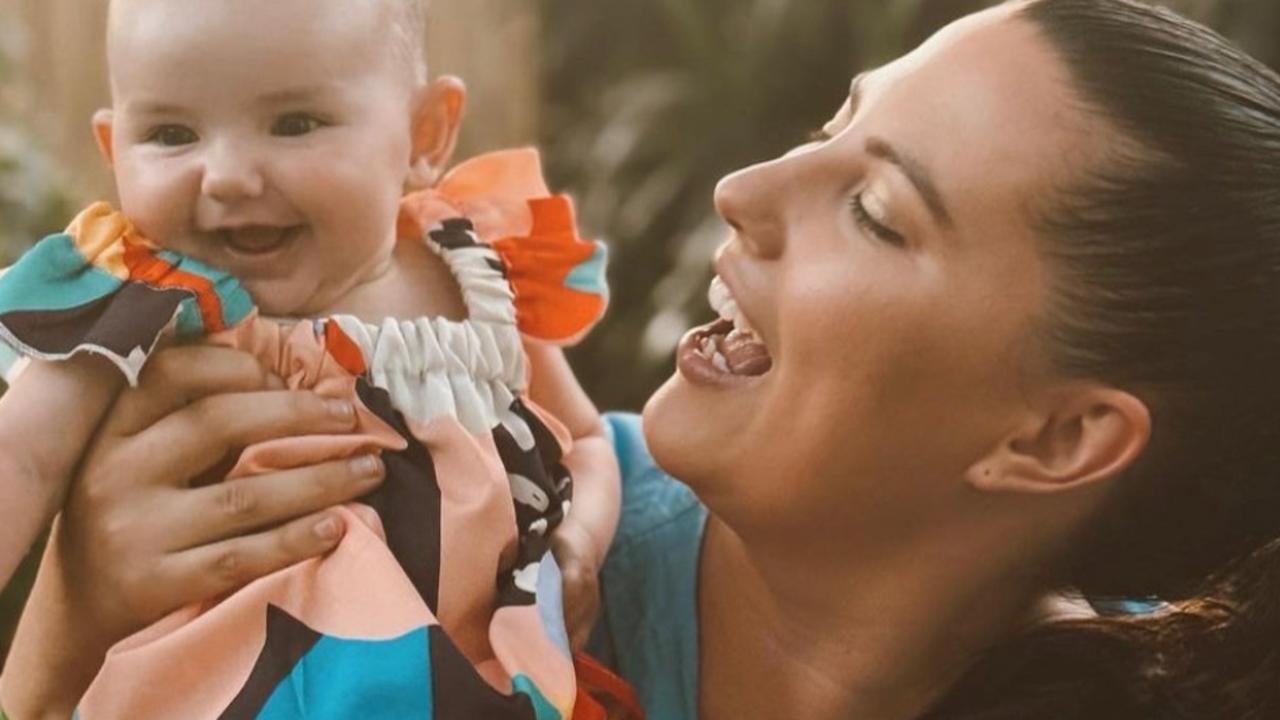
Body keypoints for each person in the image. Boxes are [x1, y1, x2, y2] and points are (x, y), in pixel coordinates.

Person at [8, 0, 1280, 717]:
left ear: (1053, 441)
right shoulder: (483, 530)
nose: (743, 186)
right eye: (827, 124)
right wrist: (56, 652)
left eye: (878, 213)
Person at [0, 0, 619, 717]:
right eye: (172, 133)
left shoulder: (479, 283)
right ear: (114, 152)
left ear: (424, 134)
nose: (227, 175)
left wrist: (582, 540)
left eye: (294, 123)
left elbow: (590, 441)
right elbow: (20, 456)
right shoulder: (147, 300)